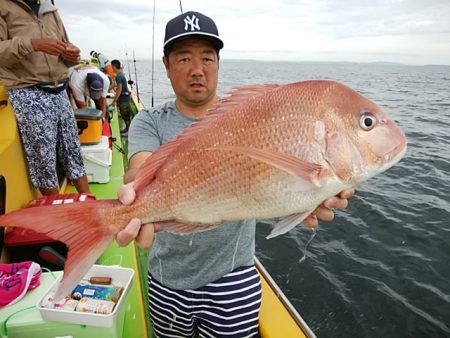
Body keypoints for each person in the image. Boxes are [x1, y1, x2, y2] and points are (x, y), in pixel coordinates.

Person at [116, 11, 355, 337]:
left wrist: (306, 195)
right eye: (184, 58)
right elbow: (140, 168)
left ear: (218, 63)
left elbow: (267, 185)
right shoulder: (151, 121)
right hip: (166, 276)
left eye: (208, 58)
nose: (197, 69)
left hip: (233, 276)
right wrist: (134, 191)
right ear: (166, 65)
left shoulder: (249, 117)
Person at [0, 0, 90, 196]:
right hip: (28, 90)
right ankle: (56, 217)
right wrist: (33, 44)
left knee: (73, 151)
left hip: (60, 89)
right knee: (44, 162)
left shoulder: (49, 7)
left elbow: (68, 53)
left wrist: (72, 54)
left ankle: (90, 204)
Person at [111, 59, 132, 136]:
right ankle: (126, 129)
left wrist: (115, 100)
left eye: (112, 67)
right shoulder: (121, 74)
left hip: (124, 99)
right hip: (125, 98)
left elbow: (119, 89)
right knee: (124, 115)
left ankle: (129, 131)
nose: (111, 68)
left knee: (126, 116)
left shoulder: (119, 76)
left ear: (114, 66)